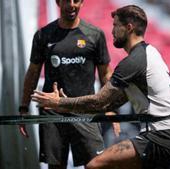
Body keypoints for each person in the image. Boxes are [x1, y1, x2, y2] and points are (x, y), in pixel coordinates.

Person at [32, 5, 170, 169]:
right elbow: (110, 103)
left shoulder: (133, 62)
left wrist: (59, 104)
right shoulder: (150, 52)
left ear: (128, 28)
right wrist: (69, 106)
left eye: (115, 26)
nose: (112, 31)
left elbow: (99, 102)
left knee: (95, 165)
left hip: (160, 136)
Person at [18, 0, 120, 168]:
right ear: (58, 2)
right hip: (53, 112)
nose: (71, 5)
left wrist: (111, 107)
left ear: (82, 2)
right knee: (55, 166)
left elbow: (105, 74)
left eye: (76, 0)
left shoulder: (95, 34)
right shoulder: (43, 35)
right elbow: (33, 72)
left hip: (86, 110)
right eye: (66, 0)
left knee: (96, 165)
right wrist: (23, 107)